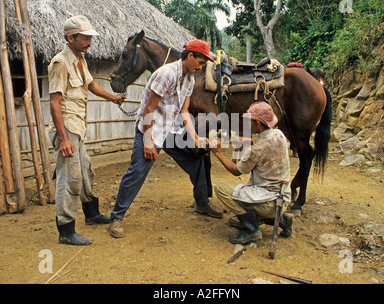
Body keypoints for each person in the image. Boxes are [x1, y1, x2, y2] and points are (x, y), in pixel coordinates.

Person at [109, 39, 223, 238]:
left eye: (204, 63)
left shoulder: (189, 78)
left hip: (171, 128)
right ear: (190, 56)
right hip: (151, 128)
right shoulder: (166, 74)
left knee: (198, 158)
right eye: (201, 62)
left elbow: (185, 111)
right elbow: (148, 109)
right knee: (137, 171)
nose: (202, 66)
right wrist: (148, 142)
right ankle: (117, 217)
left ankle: (202, 202)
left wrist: (195, 139)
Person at [48, 15, 126, 245]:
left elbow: (90, 85)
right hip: (67, 128)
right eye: (85, 37)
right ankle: (66, 229)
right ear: (71, 37)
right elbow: (54, 103)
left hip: (78, 126)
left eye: (90, 37)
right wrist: (63, 139)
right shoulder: (60, 63)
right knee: (69, 178)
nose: (90, 41)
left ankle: (91, 214)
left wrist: (112, 98)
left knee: (85, 172)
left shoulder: (79, 58)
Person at [209, 102, 293, 244]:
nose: (247, 124)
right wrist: (246, 140)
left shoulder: (255, 150)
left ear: (258, 124)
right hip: (282, 197)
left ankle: (252, 230)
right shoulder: (279, 135)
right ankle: (281, 219)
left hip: (268, 200)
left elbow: (237, 171)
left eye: (250, 121)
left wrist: (217, 152)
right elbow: (263, 142)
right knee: (234, 220)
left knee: (221, 188)